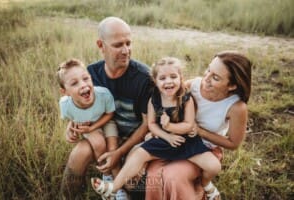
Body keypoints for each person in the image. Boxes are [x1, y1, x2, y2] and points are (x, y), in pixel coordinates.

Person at [91, 56, 223, 200]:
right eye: (162, 78)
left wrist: (170, 126)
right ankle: (113, 188)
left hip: (185, 142)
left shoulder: (185, 98)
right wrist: (167, 135)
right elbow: (151, 124)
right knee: (138, 155)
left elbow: (189, 125)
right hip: (163, 139)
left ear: (181, 78)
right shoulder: (154, 100)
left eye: (173, 76)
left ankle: (206, 185)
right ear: (155, 81)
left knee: (214, 166)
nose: (168, 81)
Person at [60, 17, 153, 200]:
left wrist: (118, 153)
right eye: (118, 45)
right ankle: (66, 196)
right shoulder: (90, 74)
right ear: (101, 45)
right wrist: (71, 125)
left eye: (128, 43)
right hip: (101, 135)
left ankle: (119, 189)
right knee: (80, 153)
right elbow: (79, 105)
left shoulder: (144, 78)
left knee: (134, 186)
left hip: (134, 142)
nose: (126, 50)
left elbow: (146, 125)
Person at [145, 51, 252, 200]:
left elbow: (233, 143)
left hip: (205, 149)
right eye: (208, 70)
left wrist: (200, 131)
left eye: (215, 77)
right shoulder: (191, 86)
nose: (206, 78)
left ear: (232, 85)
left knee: (172, 177)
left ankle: (200, 187)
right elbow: (165, 103)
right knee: (153, 176)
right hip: (176, 141)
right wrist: (158, 131)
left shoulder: (236, 107)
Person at [57, 58, 124, 198]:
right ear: (65, 91)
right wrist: (71, 129)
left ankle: (119, 188)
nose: (83, 85)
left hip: (106, 121)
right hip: (87, 125)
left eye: (86, 78)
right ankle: (107, 177)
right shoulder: (65, 105)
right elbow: (72, 118)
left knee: (112, 149)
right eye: (74, 83)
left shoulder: (103, 94)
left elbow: (110, 114)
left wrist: (93, 126)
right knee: (99, 144)